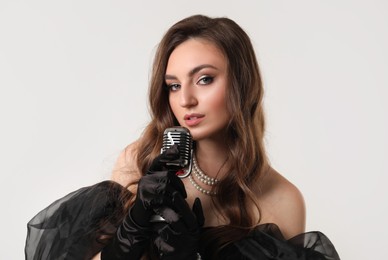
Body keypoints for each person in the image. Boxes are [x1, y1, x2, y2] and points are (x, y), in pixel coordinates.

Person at [25, 15, 340, 260]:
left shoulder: (283, 200)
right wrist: (131, 229)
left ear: (243, 84)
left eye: (204, 79)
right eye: (173, 85)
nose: (186, 99)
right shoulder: (138, 163)